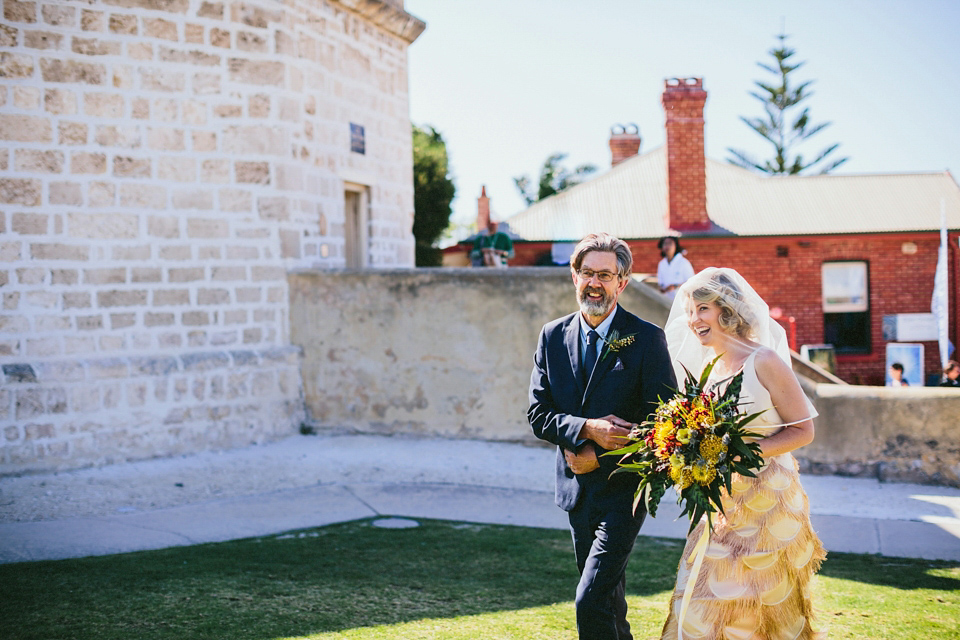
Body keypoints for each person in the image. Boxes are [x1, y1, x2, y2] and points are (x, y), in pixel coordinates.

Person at [659, 267, 825, 640]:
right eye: (689, 311)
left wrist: (742, 455)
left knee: (758, 605)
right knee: (704, 598)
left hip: (767, 498)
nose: (692, 320)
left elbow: (803, 430)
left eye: (702, 309)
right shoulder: (707, 368)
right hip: (720, 500)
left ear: (728, 309)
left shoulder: (764, 361)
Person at [528, 232, 676, 640]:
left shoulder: (646, 339)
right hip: (576, 490)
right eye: (587, 272)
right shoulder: (552, 336)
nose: (595, 282)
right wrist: (586, 429)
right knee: (609, 604)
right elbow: (538, 414)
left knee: (589, 599)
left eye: (605, 275)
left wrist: (602, 455)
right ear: (574, 277)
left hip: (626, 490)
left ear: (622, 283)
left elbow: (666, 425)